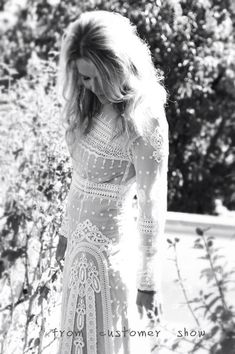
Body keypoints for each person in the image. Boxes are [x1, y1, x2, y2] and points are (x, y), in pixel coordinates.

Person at [56, 10, 169, 354]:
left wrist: (148, 284)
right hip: (76, 254)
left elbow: (152, 202)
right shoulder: (88, 102)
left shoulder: (145, 115)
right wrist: (64, 233)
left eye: (91, 78)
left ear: (114, 68)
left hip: (110, 263)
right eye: (82, 78)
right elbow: (79, 180)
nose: (85, 85)